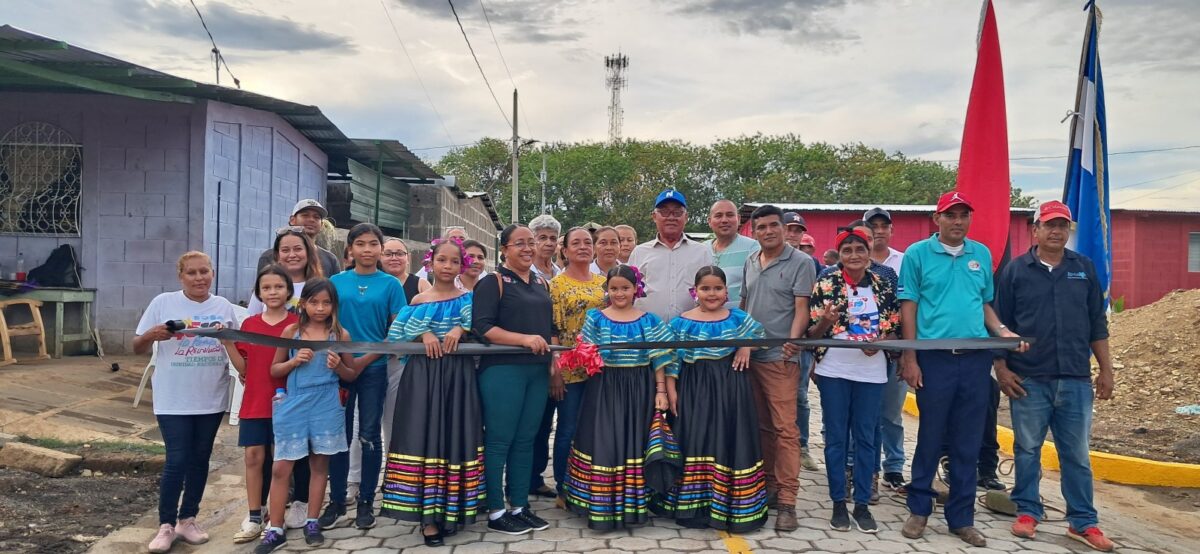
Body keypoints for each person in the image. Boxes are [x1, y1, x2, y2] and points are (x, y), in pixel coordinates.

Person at [898, 191, 1025, 548]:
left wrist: (1001, 331)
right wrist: (910, 357)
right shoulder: (918, 254)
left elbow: (983, 304)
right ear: (936, 220)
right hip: (934, 358)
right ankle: (920, 508)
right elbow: (909, 305)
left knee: (968, 441)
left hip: (974, 360)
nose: (957, 221)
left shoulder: (981, 254)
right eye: (950, 215)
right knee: (931, 436)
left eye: (963, 215)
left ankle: (961, 518)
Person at [994, 201, 1116, 552]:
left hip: (1076, 379)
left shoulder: (1084, 269)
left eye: (1062, 226)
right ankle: (1028, 511)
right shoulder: (1016, 271)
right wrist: (1001, 368)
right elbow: (1000, 324)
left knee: (1075, 453)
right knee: (1028, 448)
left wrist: (1106, 369)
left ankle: (1083, 522)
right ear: (1035, 230)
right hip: (1029, 378)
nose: (1056, 231)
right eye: (1049, 225)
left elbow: (1097, 323)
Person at [380, 239, 485, 547]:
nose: (447, 266)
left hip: (459, 378)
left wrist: (459, 330)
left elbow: (479, 327)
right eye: (442, 260)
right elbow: (396, 333)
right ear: (431, 262)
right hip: (423, 377)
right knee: (424, 437)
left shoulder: (468, 299)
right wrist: (423, 333)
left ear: (461, 266)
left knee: (455, 435)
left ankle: (453, 510)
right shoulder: (417, 300)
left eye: (454, 262)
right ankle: (427, 518)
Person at [133, 252, 240, 554]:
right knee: (177, 460)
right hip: (172, 399)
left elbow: (235, 347)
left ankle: (188, 519)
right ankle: (165, 525)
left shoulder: (223, 308)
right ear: (181, 276)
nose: (199, 278)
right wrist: (152, 336)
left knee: (199, 459)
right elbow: (136, 347)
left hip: (210, 398)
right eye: (191, 273)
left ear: (213, 274)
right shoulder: (163, 303)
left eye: (204, 271)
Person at [563, 264, 675, 530]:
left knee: (633, 442)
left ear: (636, 289)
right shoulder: (595, 318)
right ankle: (602, 505)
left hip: (639, 388)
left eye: (625, 288)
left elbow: (660, 358)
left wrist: (661, 392)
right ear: (607, 289)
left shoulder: (649, 320)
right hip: (603, 387)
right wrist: (584, 354)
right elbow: (586, 350)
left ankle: (631, 505)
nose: (619, 293)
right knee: (604, 440)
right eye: (614, 288)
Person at [255, 278, 364, 553]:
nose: (320, 308)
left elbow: (351, 375)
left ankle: (312, 521)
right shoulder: (292, 330)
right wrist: (293, 361)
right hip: (294, 403)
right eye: (314, 302)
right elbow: (274, 370)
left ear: (334, 306)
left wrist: (339, 366)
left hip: (326, 402)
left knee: (319, 465)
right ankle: (275, 528)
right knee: (282, 466)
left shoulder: (341, 336)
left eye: (326, 303)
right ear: (303, 304)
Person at [807, 229, 901, 534]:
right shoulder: (825, 282)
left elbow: (895, 329)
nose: (854, 255)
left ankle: (862, 504)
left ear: (869, 250)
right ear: (840, 254)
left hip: (871, 370)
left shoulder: (883, 285)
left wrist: (881, 341)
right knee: (835, 436)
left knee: (866, 436)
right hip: (834, 369)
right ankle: (837, 502)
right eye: (847, 249)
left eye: (859, 248)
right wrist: (826, 320)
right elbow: (811, 334)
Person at [661, 265, 767, 532]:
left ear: (726, 291)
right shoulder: (680, 322)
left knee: (727, 440)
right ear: (695, 291)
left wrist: (745, 345)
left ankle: (730, 506)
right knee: (696, 439)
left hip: (731, 389)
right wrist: (671, 391)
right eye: (705, 288)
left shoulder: (737, 318)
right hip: (693, 389)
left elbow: (761, 337)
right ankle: (693, 507)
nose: (711, 293)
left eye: (717, 288)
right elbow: (671, 359)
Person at [322, 223, 407, 530]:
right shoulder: (335, 282)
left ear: (380, 249)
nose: (367, 250)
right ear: (351, 249)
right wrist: (343, 361)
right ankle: (337, 500)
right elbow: (324, 322)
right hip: (338, 370)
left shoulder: (390, 285)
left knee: (369, 435)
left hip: (374, 369)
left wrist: (367, 358)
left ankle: (367, 501)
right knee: (338, 435)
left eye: (373, 244)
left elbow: (397, 330)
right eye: (361, 244)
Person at [471, 224, 555, 536]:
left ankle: (519, 505)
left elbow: (549, 326)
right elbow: (483, 327)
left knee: (526, 440)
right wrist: (523, 339)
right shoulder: (493, 282)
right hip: (503, 371)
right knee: (499, 441)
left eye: (531, 243)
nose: (527, 249)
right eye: (519, 243)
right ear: (504, 248)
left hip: (536, 370)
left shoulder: (540, 282)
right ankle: (495, 510)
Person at [740, 204, 814, 531]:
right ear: (754, 232)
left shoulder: (801, 262)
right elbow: (744, 306)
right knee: (762, 427)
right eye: (761, 228)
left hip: (780, 358)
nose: (768, 232)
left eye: (773, 226)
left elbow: (802, 308)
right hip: (749, 357)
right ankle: (768, 487)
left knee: (786, 429)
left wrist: (794, 342)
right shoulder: (750, 261)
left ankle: (788, 501)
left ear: (784, 228)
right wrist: (739, 341)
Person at [223, 266, 299, 544]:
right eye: (266, 288)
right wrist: (229, 344)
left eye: (278, 287)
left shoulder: (296, 325)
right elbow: (244, 367)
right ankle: (255, 513)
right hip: (254, 401)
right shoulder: (250, 325)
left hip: (286, 403)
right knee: (253, 457)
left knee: (281, 461)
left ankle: (277, 515)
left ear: (288, 291)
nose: (273, 292)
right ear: (259, 293)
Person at [533, 227, 605, 502]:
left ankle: (593, 482)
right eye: (576, 243)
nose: (584, 247)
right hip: (569, 368)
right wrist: (555, 368)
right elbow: (551, 329)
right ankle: (564, 486)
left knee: (596, 427)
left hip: (600, 368)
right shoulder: (555, 285)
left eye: (588, 242)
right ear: (565, 250)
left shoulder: (604, 283)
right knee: (567, 429)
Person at [863, 207, 908, 491]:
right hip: (860, 351)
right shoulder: (850, 263)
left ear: (891, 230)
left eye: (883, 226)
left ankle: (894, 466)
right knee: (866, 414)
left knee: (891, 412)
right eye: (873, 226)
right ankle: (866, 468)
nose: (878, 231)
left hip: (893, 349)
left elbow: (906, 307)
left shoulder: (904, 262)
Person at [629, 189, 714, 322]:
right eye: (664, 212)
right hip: (648, 331)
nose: (671, 217)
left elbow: (712, 290)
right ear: (654, 216)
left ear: (686, 217)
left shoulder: (702, 252)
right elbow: (628, 292)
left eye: (677, 212)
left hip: (691, 329)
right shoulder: (639, 252)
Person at [257, 199, 340, 278]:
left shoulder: (330, 260)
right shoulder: (269, 257)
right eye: (305, 215)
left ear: (321, 225)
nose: (311, 220)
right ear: (292, 220)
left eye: (316, 217)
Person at [250, 229, 321, 315]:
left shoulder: (320, 287)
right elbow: (251, 322)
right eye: (285, 250)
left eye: (298, 249)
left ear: (308, 253)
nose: (292, 255)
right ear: (277, 256)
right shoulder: (265, 286)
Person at [706, 199, 759, 308]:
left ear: (738, 219)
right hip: (706, 321)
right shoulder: (701, 249)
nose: (724, 220)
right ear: (709, 221)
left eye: (730, 215)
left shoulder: (753, 248)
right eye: (718, 216)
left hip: (739, 321)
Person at [382, 238, 430, 303]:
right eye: (388, 254)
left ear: (408, 258)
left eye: (399, 254)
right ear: (379, 257)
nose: (394, 258)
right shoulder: (373, 283)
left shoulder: (421, 285)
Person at [529, 214, 562, 279]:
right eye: (543, 238)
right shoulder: (524, 273)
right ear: (532, 241)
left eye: (553, 238)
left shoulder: (559, 273)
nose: (549, 243)